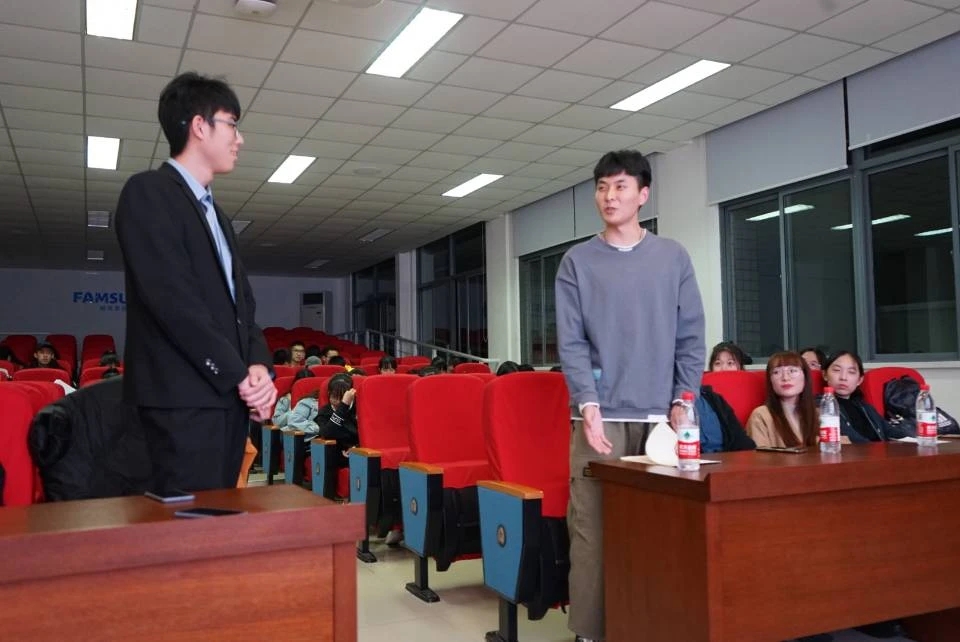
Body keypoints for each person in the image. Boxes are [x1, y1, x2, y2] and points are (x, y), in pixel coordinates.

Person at [555, 149, 705, 642]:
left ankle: (655, 624)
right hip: (598, 421)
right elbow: (571, 342)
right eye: (602, 186)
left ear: (643, 195)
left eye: (620, 186)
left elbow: (690, 337)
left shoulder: (673, 257)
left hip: (662, 421)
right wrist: (587, 403)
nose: (609, 196)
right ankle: (590, 632)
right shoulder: (577, 262)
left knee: (663, 530)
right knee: (593, 530)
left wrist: (684, 399)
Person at [114, 71, 276, 493]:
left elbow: (243, 308)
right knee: (185, 527)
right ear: (200, 126)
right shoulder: (149, 192)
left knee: (218, 521)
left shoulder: (217, 215)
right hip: (179, 406)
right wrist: (238, 375)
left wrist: (258, 367)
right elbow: (172, 301)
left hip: (225, 403)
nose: (240, 139)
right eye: (232, 124)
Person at [823, 350, 907, 442]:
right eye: (836, 370)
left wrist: (913, 439)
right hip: (861, 451)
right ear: (825, 374)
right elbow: (851, 438)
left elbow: (891, 431)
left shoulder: (865, 407)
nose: (843, 377)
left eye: (851, 372)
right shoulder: (822, 406)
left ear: (859, 380)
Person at [745, 351, 819, 449]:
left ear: (805, 376)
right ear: (770, 381)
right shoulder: (761, 415)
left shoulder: (819, 414)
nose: (785, 378)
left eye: (792, 371)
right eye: (776, 372)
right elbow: (759, 457)